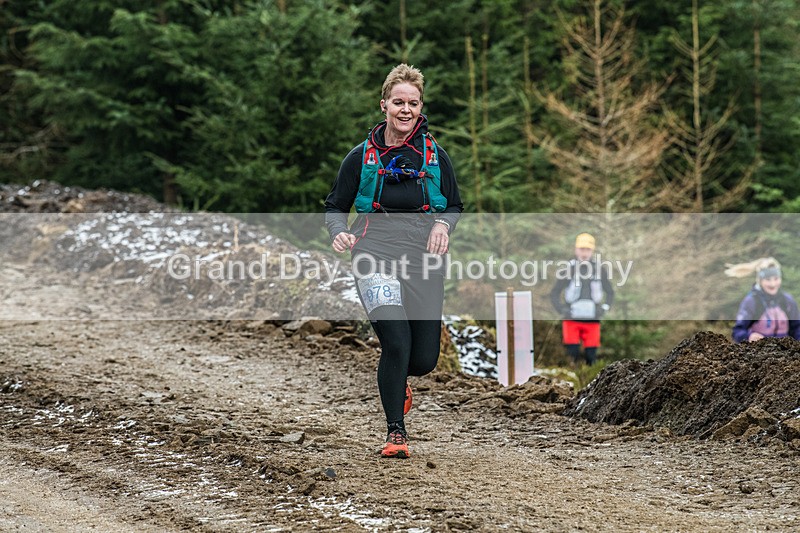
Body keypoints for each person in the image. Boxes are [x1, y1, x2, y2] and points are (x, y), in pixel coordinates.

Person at [324, 64, 463, 459]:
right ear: (384, 104)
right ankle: (395, 433)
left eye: (413, 103)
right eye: (398, 102)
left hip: (423, 258)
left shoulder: (435, 156)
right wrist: (339, 232)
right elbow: (335, 206)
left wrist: (442, 225)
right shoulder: (360, 157)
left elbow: (453, 205)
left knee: (423, 359)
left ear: (421, 107)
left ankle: (401, 379)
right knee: (396, 342)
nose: (405, 110)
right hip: (374, 254)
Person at [549, 233, 614, 366]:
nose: (584, 253)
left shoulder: (600, 269)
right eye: (581, 249)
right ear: (576, 250)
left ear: (592, 251)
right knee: (572, 357)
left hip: (592, 320)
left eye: (588, 249)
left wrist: (604, 308)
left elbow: (610, 293)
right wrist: (562, 309)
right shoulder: (567, 269)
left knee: (591, 357)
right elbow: (554, 293)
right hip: (571, 319)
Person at [725, 257, 800, 342]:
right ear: (760, 280)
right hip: (758, 352)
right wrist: (749, 337)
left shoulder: (787, 301)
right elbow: (737, 332)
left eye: (776, 279)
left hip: (787, 352)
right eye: (768, 280)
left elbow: (797, 328)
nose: (773, 284)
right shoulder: (751, 301)